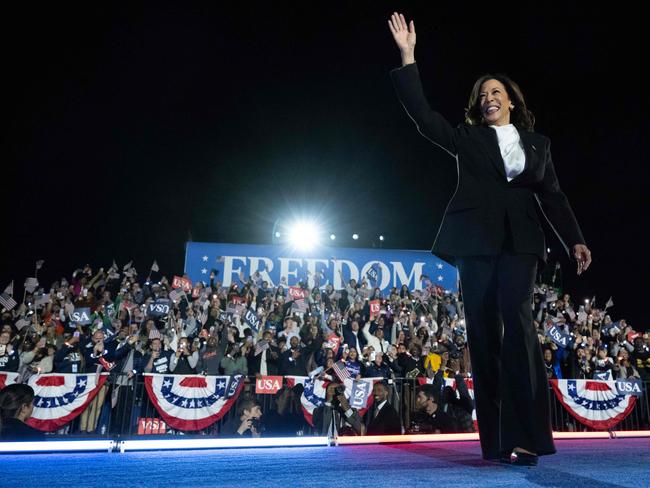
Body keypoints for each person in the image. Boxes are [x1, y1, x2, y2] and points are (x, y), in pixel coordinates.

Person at [388, 12, 592, 466]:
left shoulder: (537, 144)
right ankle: (497, 441)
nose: (488, 98)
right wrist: (408, 58)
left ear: (511, 102)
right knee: (482, 334)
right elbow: (423, 118)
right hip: (475, 241)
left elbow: (553, 196)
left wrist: (574, 239)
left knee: (518, 328)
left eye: (496, 92)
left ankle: (525, 437)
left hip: (521, 241)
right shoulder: (467, 138)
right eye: (483, 95)